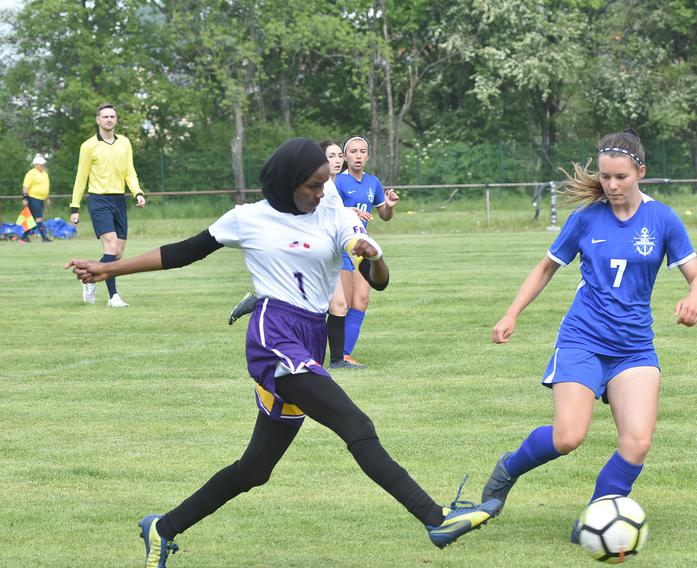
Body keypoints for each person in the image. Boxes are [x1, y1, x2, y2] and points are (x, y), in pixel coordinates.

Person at [66, 138, 501, 567]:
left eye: (322, 183)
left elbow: (378, 278)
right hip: (275, 336)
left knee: (255, 469)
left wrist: (372, 255)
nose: (319, 191)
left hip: (309, 337)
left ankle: (162, 528)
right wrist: (108, 267)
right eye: (311, 185)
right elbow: (183, 252)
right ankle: (436, 518)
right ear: (287, 181)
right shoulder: (247, 218)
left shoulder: (333, 211)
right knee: (356, 423)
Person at [479, 129, 697, 543]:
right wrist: (512, 313)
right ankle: (508, 469)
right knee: (569, 437)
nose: (612, 185)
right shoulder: (585, 219)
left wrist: (694, 297)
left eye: (620, 177)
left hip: (634, 348)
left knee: (636, 443)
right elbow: (546, 267)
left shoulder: (663, 220)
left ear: (641, 171)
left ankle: (594, 520)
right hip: (583, 339)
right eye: (605, 177)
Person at [228, 139, 356, 369]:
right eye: (330, 156)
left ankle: (260, 302)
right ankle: (336, 360)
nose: (336, 160)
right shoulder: (321, 185)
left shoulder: (332, 186)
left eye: (339, 156)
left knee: (329, 304)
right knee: (338, 304)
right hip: (314, 253)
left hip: (325, 254)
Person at [69, 102, 146, 307]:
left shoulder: (125, 143)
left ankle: (89, 276)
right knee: (110, 245)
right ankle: (113, 297)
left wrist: (137, 192)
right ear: (98, 120)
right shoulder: (88, 146)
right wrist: (74, 206)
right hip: (98, 200)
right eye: (105, 117)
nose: (109, 120)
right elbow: (81, 177)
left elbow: (129, 171)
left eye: (112, 116)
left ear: (116, 120)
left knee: (117, 254)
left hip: (119, 200)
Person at [334, 136, 400, 368]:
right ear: (345, 157)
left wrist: (389, 207)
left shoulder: (373, 182)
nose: (358, 155)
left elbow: (384, 215)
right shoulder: (338, 182)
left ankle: (343, 354)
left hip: (361, 247)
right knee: (340, 304)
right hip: (341, 247)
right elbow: (328, 211)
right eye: (353, 151)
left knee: (361, 299)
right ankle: (331, 353)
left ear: (368, 155)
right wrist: (349, 212)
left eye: (362, 151)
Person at [21, 154, 52, 242]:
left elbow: (45, 186)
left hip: (41, 198)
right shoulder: (31, 174)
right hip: (33, 198)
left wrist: (47, 197)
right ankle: (44, 237)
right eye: (41, 164)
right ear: (36, 165)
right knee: (38, 218)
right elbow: (25, 187)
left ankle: (24, 237)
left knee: (33, 219)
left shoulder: (45, 173)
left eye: (43, 164)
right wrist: (25, 198)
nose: (43, 166)